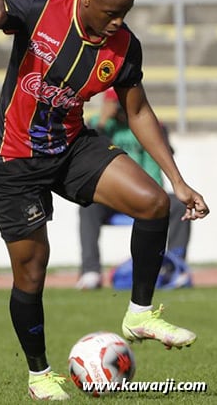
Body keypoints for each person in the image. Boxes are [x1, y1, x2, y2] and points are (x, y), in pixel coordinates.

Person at [0, 0, 210, 400]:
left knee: (152, 203)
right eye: (110, 12)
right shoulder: (40, 9)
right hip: (14, 156)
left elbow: (140, 111)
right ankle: (40, 375)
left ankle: (140, 314)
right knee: (31, 272)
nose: (118, 22)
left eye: (125, 12)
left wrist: (178, 181)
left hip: (71, 146)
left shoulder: (124, 46)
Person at [77, 88, 191, 290]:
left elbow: (167, 151)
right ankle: (91, 271)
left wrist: (153, 124)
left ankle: (174, 266)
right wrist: (103, 122)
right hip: (113, 197)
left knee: (180, 207)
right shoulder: (98, 126)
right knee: (88, 208)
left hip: (150, 196)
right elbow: (87, 152)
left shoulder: (150, 126)